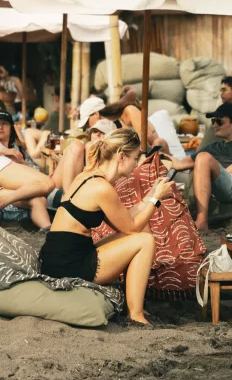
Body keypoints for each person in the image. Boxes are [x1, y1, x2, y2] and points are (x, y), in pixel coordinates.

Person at [39, 128, 174, 326]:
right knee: (144, 240)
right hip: (70, 265)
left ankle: (136, 307)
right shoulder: (102, 188)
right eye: (135, 158)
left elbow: (126, 221)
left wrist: (150, 195)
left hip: (59, 257)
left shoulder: (89, 176)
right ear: (121, 157)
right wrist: (156, 200)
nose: (136, 164)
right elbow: (132, 228)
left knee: (142, 233)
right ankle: (136, 316)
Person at [168, 102, 232, 232]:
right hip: (227, 187)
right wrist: (158, 152)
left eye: (219, 121)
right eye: (213, 121)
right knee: (202, 157)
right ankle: (202, 221)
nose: (214, 125)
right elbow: (180, 164)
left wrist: (225, 171)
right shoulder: (212, 148)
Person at [0, 109, 54, 230]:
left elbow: (30, 182)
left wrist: (21, 162)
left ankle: (48, 230)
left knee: (38, 200)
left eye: (5, 123)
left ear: (10, 128)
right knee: (48, 183)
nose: (0, 127)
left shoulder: (14, 150)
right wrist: (0, 152)